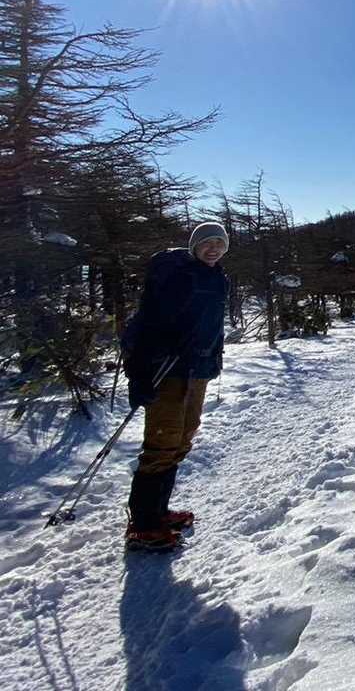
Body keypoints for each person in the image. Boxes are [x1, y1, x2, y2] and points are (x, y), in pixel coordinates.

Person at [120, 222, 231, 552]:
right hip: (169, 371)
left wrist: (213, 360)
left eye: (219, 243)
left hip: (198, 371)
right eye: (207, 243)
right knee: (162, 442)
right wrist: (139, 373)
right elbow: (148, 324)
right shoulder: (178, 277)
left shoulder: (218, 278)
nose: (213, 248)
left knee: (182, 438)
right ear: (194, 246)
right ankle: (142, 526)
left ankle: (158, 512)